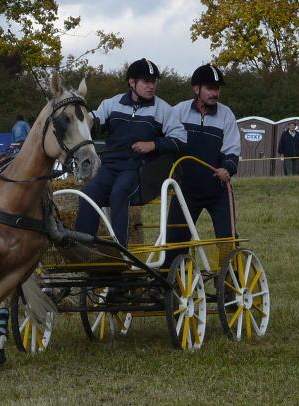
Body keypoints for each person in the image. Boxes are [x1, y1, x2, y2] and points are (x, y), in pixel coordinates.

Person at [74, 58, 187, 247]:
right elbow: (90, 122)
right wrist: (77, 112)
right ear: (132, 82)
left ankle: (120, 250)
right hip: (109, 167)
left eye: (154, 82)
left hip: (139, 170)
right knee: (87, 193)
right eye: (146, 82)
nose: (151, 86)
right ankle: (82, 247)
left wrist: (153, 144)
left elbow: (181, 138)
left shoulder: (163, 109)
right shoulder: (111, 104)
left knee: (119, 192)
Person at [165, 63, 241, 264]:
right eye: (209, 88)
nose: (214, 93)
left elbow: (232, 150)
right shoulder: (178, 111)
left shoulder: (226, 115)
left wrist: (227, 168)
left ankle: (230, 278)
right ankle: (172, 279)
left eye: (217, 88)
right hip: (185, 190)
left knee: (228, 241)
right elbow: (164, 139)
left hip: (218, 189)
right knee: (174, 244)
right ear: (196, 88)